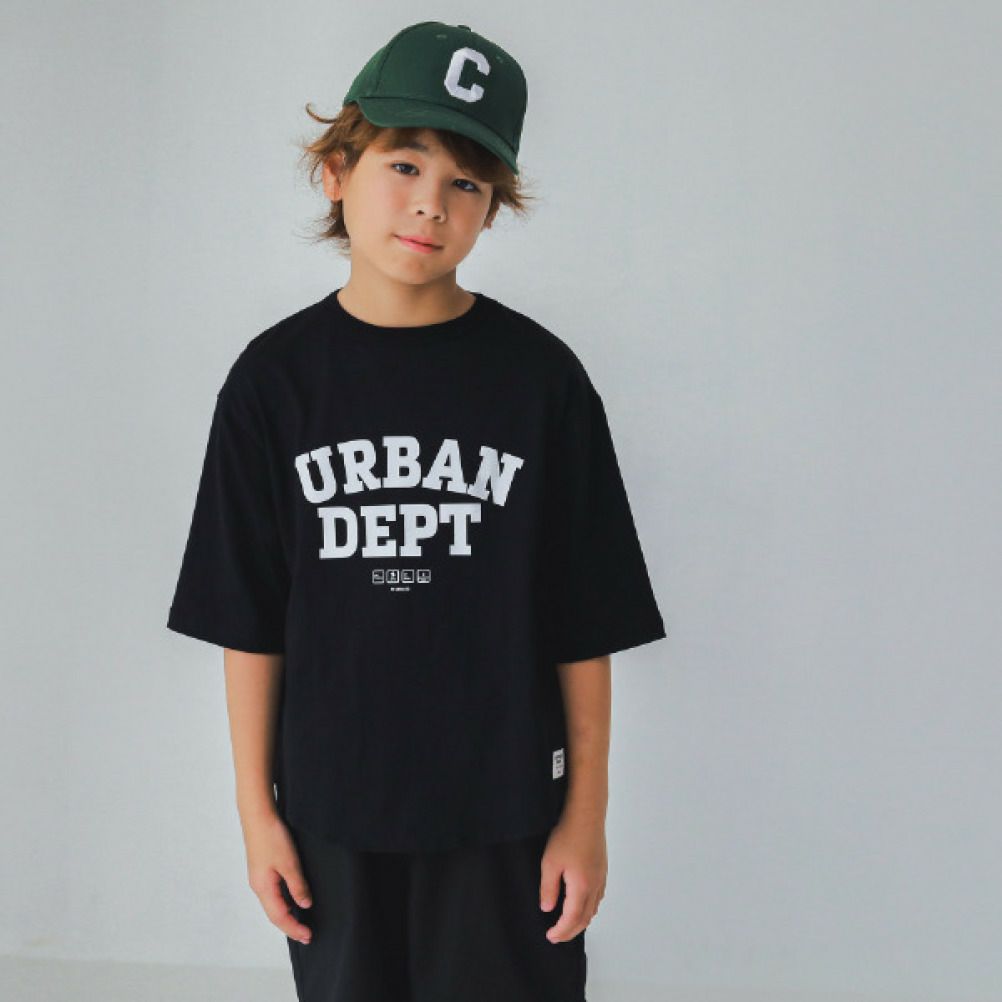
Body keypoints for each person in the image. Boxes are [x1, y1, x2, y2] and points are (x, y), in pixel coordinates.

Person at [166, 20, 667, 1002]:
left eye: (467, 184)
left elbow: (585, 623)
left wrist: (585, 817)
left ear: (493, 209)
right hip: (331, 818)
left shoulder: (541, 383)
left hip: (508, 815)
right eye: (404, 164)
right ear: (336, 171)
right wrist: (257, 816)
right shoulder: (273, 384)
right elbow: (249, 623)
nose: (432, 203)